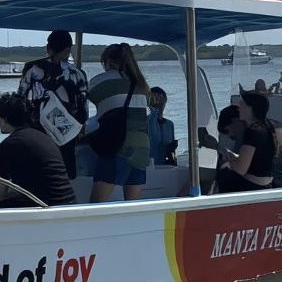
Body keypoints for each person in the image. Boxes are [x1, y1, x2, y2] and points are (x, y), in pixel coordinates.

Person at [0, 93, 76, 209]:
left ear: (4, 119)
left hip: (43, 206)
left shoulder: (8, 145)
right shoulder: (44, 138)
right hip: (68, 202)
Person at [84, 43, 151, 202]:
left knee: (96, 206)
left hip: (118, 145)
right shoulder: (141, 84)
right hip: (142, 148)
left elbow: (78, 102)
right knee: (132, 207)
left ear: (107, 62)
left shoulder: (101, 81)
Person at [19, 30, 89, 178]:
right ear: (68, 50)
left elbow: (21, 98)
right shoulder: (78, 73)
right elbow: (83, 109)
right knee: (63, 175)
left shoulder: (32, 68)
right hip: (67, 132)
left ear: (48, 47)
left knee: (37, 174)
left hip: (37, 131)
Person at [215, 90, 277, 193]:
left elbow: (240, 169)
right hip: (267, 183)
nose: (239, 108)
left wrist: (228, 155)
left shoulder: (252, 132)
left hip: (253, 185)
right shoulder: (267, 127)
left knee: (222, 175)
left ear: (251, 108)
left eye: (242, 105)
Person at [147, 86, 178, 166]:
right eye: (154, 99)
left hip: (166, 166)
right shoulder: (146, 122)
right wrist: (154, 110)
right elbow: (153, 140)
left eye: (160, 98)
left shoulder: (169, 124)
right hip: (151, 167)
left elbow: (171, 150)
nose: (157, 102)